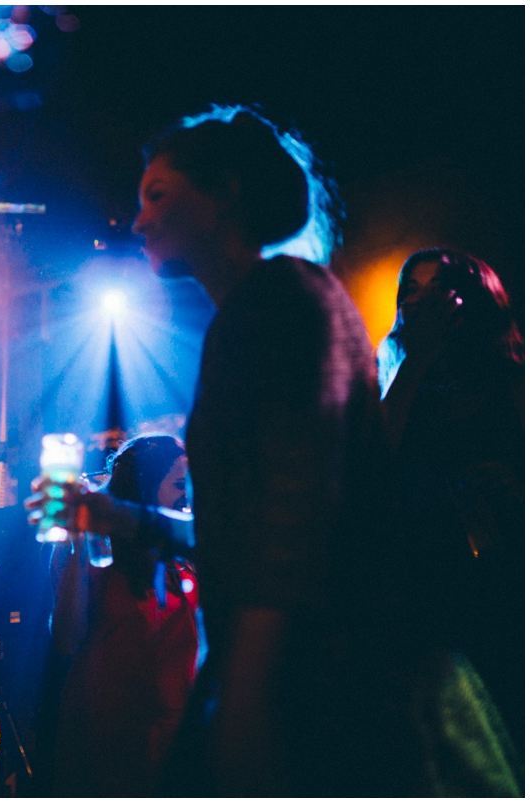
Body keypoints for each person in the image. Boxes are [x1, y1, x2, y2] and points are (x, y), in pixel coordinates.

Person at [32, 107, 519, 795]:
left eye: (158, 195)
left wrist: (247, 704)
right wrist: (120, 519)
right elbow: (247, 537)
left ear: (225, 194)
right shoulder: (264, 308)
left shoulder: (284, 304)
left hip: (323, 685)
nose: (137, 220)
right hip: (289, 673)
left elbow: (296, 536)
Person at [379, 248, 525, 751]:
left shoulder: (510, 374)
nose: (420, 300)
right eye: (410, 290)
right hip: (429, 580)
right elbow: (374, 461)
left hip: (507, 569)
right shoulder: (400, 373)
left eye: (437, 288)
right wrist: (416, 360)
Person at [50, 435, 201, 797]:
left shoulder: (188, 551)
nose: (189, 494)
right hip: (108, 732)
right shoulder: (97, 549)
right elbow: (67, 639)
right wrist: (76, 546)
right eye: (180, 484)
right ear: (145, 486)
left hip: (177, 732)